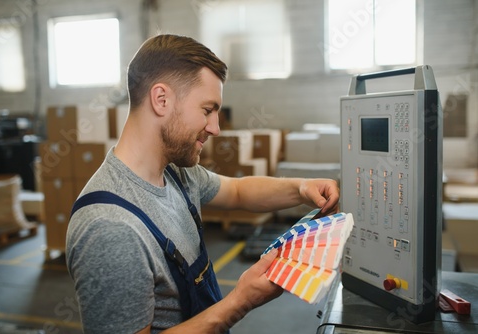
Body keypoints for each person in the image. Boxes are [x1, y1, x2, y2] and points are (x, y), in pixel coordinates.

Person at [66, 34, 339, 334]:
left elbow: (237, 191)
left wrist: (301, 189)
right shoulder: (111, 227)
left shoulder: (176, 173)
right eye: (207, 110)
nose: (216, 128)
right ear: (161, 100)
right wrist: (241, 300)